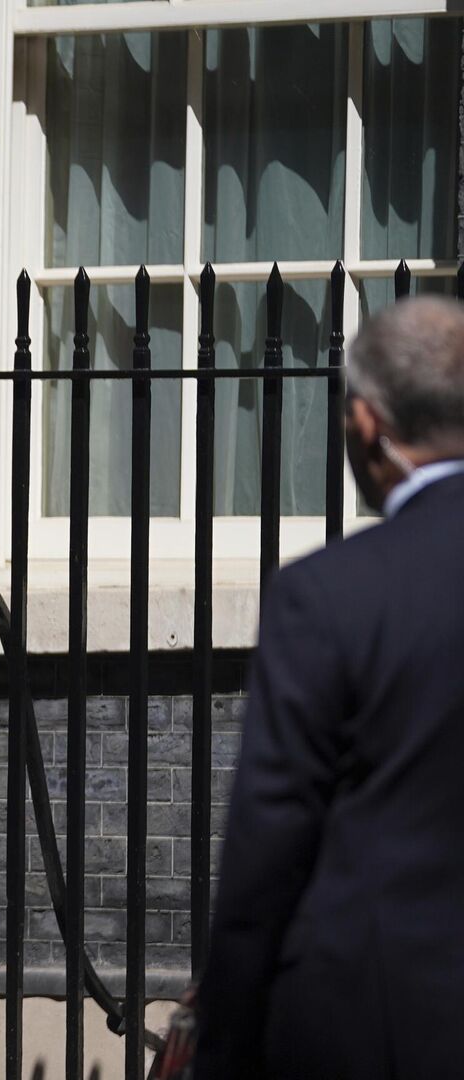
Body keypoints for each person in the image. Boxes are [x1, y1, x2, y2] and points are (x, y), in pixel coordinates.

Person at [196, 296, 464, 1078]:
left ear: (368, 423)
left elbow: (270, 847)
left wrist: (223, 1046)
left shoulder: (328, 595)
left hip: (377, 1025)